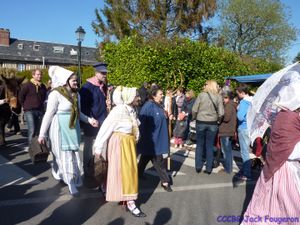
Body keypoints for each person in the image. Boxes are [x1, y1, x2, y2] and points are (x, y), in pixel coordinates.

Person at [38, 66, 98, 196]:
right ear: (65, 81)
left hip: (73, 128)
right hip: (59, 128)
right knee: (63, 155)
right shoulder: (55, 94)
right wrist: (42, 134)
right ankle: (70, 183)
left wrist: (89, 120)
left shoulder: (77, 95)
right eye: (74, 81)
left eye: (76, 80)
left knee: (73, 155)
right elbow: (48, 114)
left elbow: (79, 112)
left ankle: (66, 175)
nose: (76, 83)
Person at [93, 86, 146, 217]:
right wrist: (98, 147)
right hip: (120, 144)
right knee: (124, 172)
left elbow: (135, 126)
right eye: (136, 96)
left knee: (128, 172)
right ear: (129, 98)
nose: (138, 98)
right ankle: (130, 201)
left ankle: (126, 197)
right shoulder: (119, 110)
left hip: (128, 143)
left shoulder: (131, 110)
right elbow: (106, 127)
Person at [241, 109, 300, 224]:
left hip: (270, 168)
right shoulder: (291, 119)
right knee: (289, 208)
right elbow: (292, 152)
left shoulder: (281, 116)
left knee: (262, 204)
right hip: (286, 170)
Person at [137, 86, 173, 192]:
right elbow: (141, 123)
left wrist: (168, 116)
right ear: (153, 95)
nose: (162, 96)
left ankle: (138, 173)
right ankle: (165, 181)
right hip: (152, 140)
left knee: (145, 157)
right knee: (159, 161)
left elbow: (162, 117)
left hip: (158, 138)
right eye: (160, 94)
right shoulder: (148, 107)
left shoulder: (159, 105)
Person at [80, 62, 108, 177]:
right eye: (102, 73)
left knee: (102, 142)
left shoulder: (103, 85)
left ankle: (100, 166)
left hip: (102, 119)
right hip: (91, 120)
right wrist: (90, 119)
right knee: (88, 143)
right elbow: (83, 106)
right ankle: (87, 167)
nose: (105, 75)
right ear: (96, 73)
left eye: (105, 73)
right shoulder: (87, 87)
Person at [192, 80, 224, 174]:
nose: (204, 85)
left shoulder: (201, 95)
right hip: (213, 123)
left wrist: (194, 117)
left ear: (208, 85)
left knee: (200, 145)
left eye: (205, 84)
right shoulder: (218, 97)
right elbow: (221, 113)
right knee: (210, 145)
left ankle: (198, 166)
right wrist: (218, 120)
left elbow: (194, 109)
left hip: (201, 121)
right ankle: (209, 168)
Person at [19, 69, 47, 145]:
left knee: (39, 130)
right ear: (33, 75)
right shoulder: (27, 85)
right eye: (37, 74)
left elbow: (44, 98)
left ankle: (37, 147)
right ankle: (32, 148)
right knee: (32, 129)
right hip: (29, 110)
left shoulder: (43, 86)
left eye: (40, 74)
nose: (40, 76)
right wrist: (25, 106)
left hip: (40, 110)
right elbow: (21, 96)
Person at [235, 84, 253, 181]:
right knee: (246, 151)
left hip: (243, 127)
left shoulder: (244, 102)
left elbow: (240, 117)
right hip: (249, 127)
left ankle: (247, 173)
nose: (237, 95)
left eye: (238, 93)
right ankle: (246, 170)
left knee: (244, 152)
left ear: (242, 93)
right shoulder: (251, 101)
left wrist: (238, 110)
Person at [218, 91, 237, 174]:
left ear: (228, 98)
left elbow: (226, 118)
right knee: (228, 150)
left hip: (226, 130)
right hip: (229, 130)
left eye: (224, 98)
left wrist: (220, 117)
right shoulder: (232, 105)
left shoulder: (228, 105)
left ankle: (228, 169)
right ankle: (229, 168)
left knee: (226, 151)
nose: (223, 100)